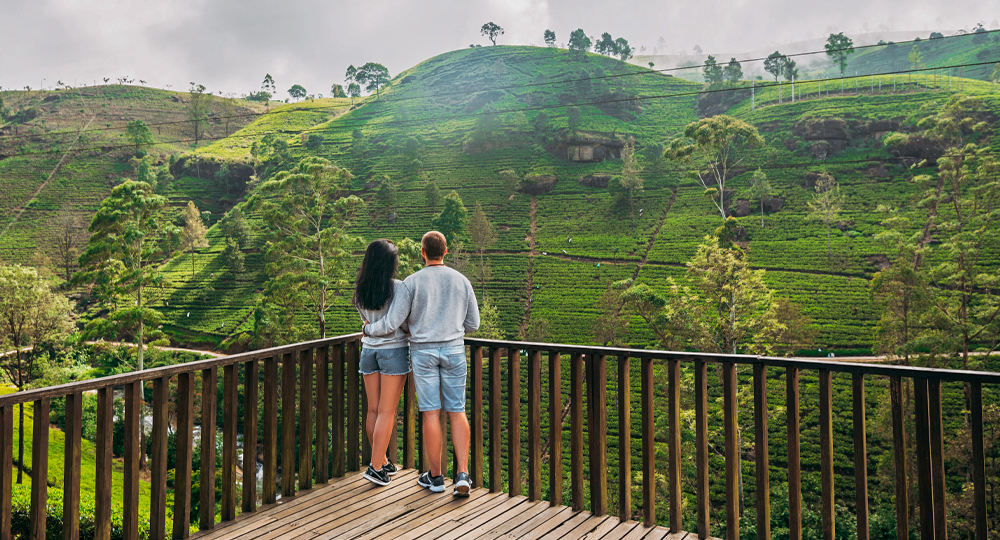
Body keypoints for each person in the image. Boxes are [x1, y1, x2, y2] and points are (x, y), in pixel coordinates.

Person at [363, 231, 480, 496]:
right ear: (446, 252)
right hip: (453, 350)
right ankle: (462, 474)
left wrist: (408, 328)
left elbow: (397, 322)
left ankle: (436, 477)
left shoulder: (411, 283)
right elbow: (474, 323)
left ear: (423, 252)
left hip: (423, 352)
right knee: (457, 409)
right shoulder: (462, 281)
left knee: (430, 412)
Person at [354, 239, 411, 487]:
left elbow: (367, 324)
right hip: (393, 353)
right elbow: (392, 325)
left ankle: (383, 460)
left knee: (374, 411)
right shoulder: (398, 288)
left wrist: (367, 332)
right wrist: (373, 330)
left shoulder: (360, 289)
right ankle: (375, 468)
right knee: (387, 412)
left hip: (369, 352)